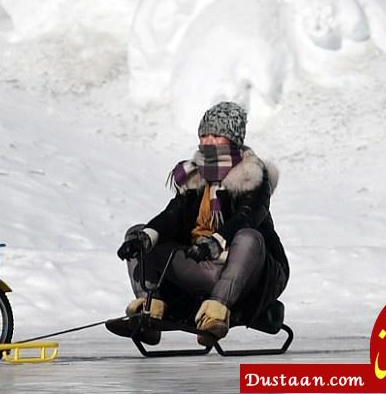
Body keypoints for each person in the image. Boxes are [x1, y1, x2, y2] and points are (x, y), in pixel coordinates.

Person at [110, 101, 288, 346]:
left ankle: (215, 315)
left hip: (249, 272)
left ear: (233, 140)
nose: (208, 141)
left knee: (248, 237)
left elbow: (246, 217)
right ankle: (149, 314)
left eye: (216, 135)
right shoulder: (194, 176)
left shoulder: (253, 178)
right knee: (138, 236)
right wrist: (145, 237)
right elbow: (173, 215)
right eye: (204, 135)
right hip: (201, 265)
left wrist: (214, 243)